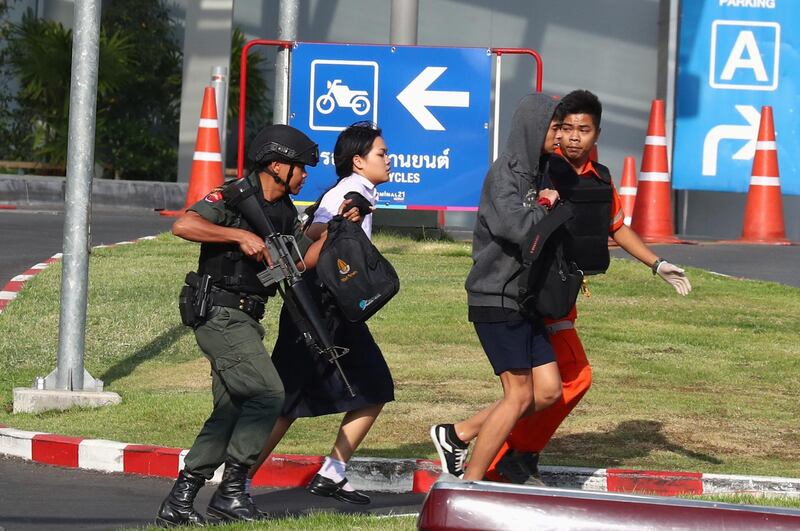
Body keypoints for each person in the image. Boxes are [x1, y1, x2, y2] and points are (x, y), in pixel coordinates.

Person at [487, 89, 692, 485]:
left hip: (562, 294)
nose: (573, 137)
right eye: (565, 128)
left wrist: (658, 263)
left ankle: (507, 453)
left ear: (597, 133)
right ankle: (506, 453)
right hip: (534, 294)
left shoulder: (600, 178)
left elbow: (616, 227)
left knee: (549, 385)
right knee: (572, 378)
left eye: (583, 129)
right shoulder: (541, 169)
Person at [156, 124, 328, 526]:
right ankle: (232, 492)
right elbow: (183, 225)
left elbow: (294, 264)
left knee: (231, 408)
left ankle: (180, 502)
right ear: (275, 165)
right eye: (300, 167)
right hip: (219, 313)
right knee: (268, 394)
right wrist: (236, 236)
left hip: (248, 318)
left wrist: (329, 230)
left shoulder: (284, 211)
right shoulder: (233, 196)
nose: (304, 175)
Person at [247, 121, 395, 504]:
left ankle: (332, 472)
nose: (388, 159)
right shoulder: (352, 191)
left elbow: (314, 230)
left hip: (332, 309)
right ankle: (238, 483)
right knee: (288, 401)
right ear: (359, 162)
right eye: (381, 153)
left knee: (373, 388)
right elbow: (316, 240)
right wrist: (345, 221)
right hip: (317, 308)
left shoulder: (353, 192)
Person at [430, 93, 565, 482]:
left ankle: (457, 434)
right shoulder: (504, 175)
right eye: (554, 128)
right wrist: (544, 205)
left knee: (550, 390)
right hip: (495, 295)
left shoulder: (542, 171)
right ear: (534, 127)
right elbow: (518, 228)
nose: (558, 136)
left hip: (525, 299)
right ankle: (471, 483)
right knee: (519, 395)